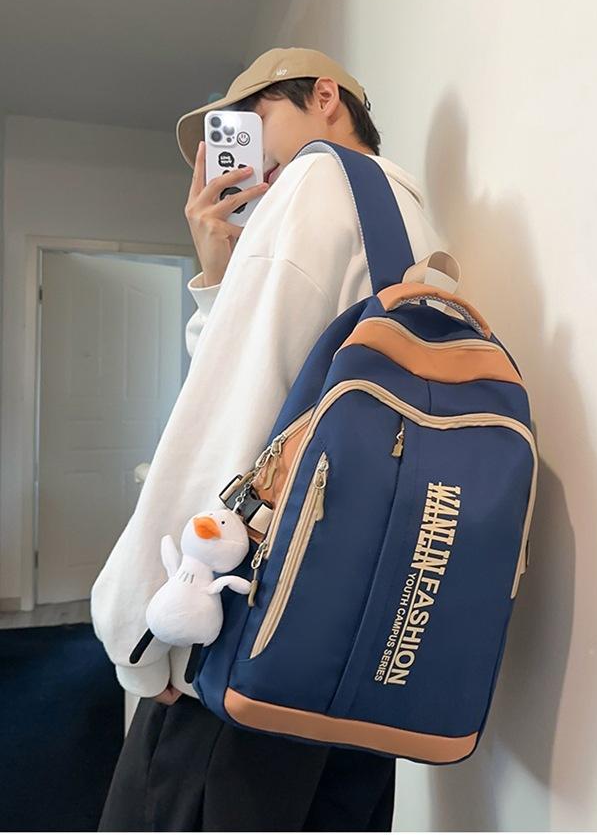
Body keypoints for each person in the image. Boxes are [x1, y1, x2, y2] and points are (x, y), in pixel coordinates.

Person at [91, 46, 446, 831]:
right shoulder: (408, 220)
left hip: (249, 643)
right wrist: (220, 273)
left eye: (254, 121)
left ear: (325, 96)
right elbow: (293, 398)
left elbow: (227, 416)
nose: (246, 155)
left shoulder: (315, 184)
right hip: (357, 657)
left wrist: (135, 625)